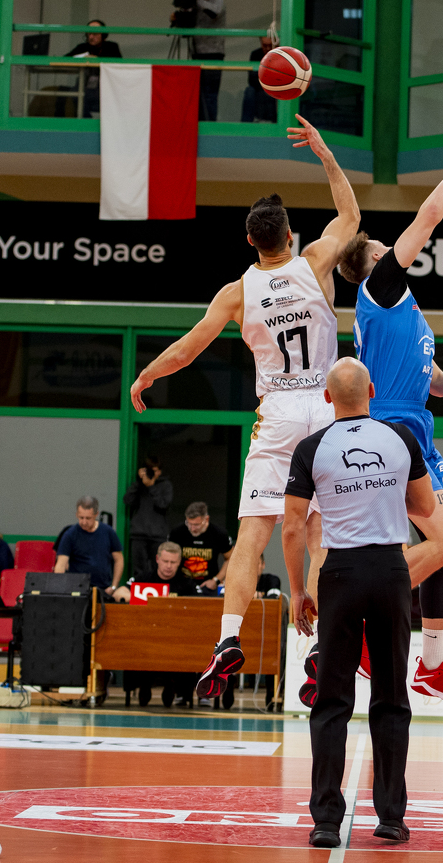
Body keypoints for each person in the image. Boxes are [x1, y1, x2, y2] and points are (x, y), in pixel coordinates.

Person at [129, 115, 360, 700]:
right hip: (325, 409)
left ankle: (228, 637)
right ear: (290, 235)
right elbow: (351, 215)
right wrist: (324, 152)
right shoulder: (315, 263)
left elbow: (188, 349)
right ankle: (318, 646)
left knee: (253, 533)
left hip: (277, 411)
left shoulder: (237, 292)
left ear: (250, 241)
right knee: (319, 533)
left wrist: (147, 374)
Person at [334, 140, 443, 707]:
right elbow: (428, 217)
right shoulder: (379, 288)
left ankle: (430, 664)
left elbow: (432, 381)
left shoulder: (403, 312)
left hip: (414, 427)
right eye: (381, 248)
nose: (389, 248)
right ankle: (360, 618)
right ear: (372, 263)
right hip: (392, 430)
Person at [281, 358, 435, 848]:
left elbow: (292, 527)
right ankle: (390, 817)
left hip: (340, 574)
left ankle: (326, 821)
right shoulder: (401, 438)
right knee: (391, 697)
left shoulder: (311, 448)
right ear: (371, 391)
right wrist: (383, 495)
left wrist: (297, 589)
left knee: (331, 700)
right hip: (390, 571)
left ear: (327, 397)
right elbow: (426, 507)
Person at [54, 496, 123, 597]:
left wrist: (113, 586)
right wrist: (60, 589)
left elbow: (119, 560)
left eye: (88, 518)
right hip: (77, 589)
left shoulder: (108, 532)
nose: (84, 522)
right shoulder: (70, 534)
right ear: (76, 514)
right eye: (81, 517)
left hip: (103, 589)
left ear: (96, 514)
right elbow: (60, 565)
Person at [124, 456, 173, 577]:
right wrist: (139, 482)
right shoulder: (139, 485)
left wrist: (151, 487)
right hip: (139, 533)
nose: (154, 474)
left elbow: (163, 505)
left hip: (158, 535)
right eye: (150, 471)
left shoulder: (166, 485)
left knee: (159, 569)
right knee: (139, 570)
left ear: (160, 471)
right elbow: (128, 500)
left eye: (155, 471)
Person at [167, 501, 232, 592]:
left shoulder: (219, 534)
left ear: (206, 519)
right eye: (189, 523)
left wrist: (216, 580)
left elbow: (230, 558)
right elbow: (166, 557)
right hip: (181, 583)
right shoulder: (177, 533)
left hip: (208, 585)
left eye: (196, 525)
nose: (192, 528)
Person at [63, 19, 122, 116]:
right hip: (84, 84)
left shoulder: (112, 47)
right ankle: (85, 121)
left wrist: (96, 59)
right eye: (89, 34)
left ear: (103, 35)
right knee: (75, 93)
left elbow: (118, 64)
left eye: (94, 34)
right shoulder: (82, 47)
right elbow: (65, 59)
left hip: (105, 85)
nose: (91, 37)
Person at [188, 0, 226, 120]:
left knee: (210, 94)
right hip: (196, 53)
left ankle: (210, 126)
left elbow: (214, 12)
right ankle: (197, 125)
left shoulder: (218, 1)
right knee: (197, 94)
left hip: (213, 54)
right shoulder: (195, 2)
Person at [113, 542, 202, 601]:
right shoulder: (144, 578)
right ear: (157, 559)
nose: (169, 566)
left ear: (179, 562)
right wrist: (143, 599)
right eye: (165, 561)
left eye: (173, 562)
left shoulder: (187, 582)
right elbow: (118, 593)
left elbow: (202, 602)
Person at [242, 34, 279, 123]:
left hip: (276, 88)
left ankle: (274, 122)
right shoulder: (256, 54)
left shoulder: (281, 56)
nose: (267, 48)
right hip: (260, 87)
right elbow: (252, 80)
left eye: (270, 45)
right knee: (249, 91)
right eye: (264, 45)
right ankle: (246, 125)